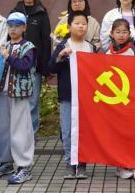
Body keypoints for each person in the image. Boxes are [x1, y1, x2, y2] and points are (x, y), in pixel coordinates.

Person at [0, 12, 36, 185]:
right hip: (3, 93)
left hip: (19, 94)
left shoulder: (28, 47)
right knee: (2, 130)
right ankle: (6, 162)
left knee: (21, 129)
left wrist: (7, 56)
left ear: (24, 28)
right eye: (10, 26)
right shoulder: (5, 45)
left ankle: (24, 166)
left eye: (17, 26)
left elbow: (25, 66)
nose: (13, 29)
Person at [49, 11, 94, 179]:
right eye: (77, 23)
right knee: (67, 131)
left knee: (84, 131)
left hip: (86, 97)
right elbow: (51, 68)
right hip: (67, 96)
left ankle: (82, 162)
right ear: (69, 27)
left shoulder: (91, 47)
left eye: (84, 24)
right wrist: (60, 56)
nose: (81, 26)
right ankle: (70, 162)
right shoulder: (63, 45)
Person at [103, 18, 135, 180]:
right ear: (112, 33)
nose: (121, 35)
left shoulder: (134, 51)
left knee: (133, 132)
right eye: (118, 32)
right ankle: (121, 166)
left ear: (129, 33)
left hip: (131, 97)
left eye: (124, 32)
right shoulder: (106, 51)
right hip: (114, 100)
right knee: (118, 133)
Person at [10, 0, 51, 134]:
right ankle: (18, 133)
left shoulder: (41, 13)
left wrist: (45, 67)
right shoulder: (15, 12)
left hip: (35, 65)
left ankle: (31, 134)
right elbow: (9, 37)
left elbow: (46, 40)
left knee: (33, 101)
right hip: (16, 63)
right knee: (17, 99)